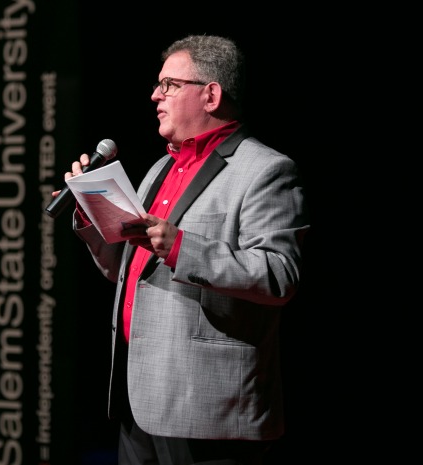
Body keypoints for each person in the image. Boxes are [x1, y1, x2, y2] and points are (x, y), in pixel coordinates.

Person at [55, 35, 310, 464]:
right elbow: (125, 269)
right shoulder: (159, 168)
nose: (156, 95)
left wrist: (180, 246)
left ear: (210, 95)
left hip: (208, 411)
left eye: (170, 84)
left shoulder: (266, 170)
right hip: (141, 403)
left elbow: (278, 276)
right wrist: (91, 219)